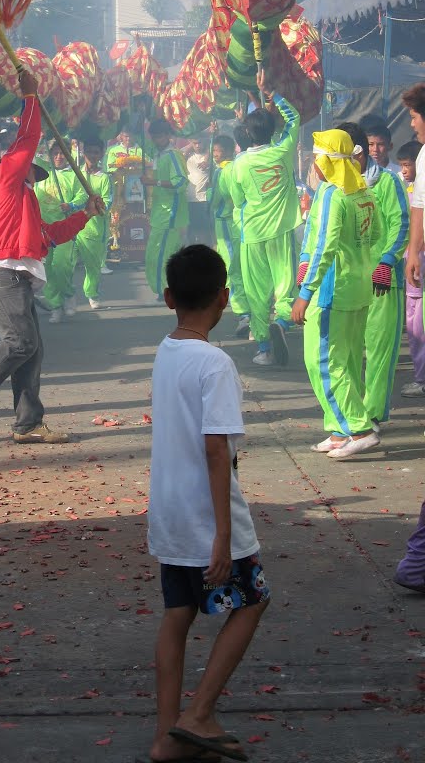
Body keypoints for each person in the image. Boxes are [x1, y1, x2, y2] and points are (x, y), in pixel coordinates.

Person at [146, 244, 269, 763]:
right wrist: (223, 535)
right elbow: (217, 449)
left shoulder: (165, 350)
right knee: (252, 601)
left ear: (169, 297)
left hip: (170, 513)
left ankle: (165, 738)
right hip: (206, 515)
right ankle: (198, 715)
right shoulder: (216, 364)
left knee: (178, 617)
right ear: (224, 297)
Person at [0, 68, 105, 445]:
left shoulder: (22, 204)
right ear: (21, 166)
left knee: (32, 350)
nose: (36, 176)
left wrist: (87, 214)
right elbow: (28, 138)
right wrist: (31, 99)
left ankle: (28, 423)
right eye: (33, 170)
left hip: (13, 277)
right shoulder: (3, 178)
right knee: (20, 343)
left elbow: (51, 235)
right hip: (1, 276)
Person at [292, 129, 381, 460]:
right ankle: (339, 430)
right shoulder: (362, 192)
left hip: (332, 291)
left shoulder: (332, 194)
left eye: (315, 157)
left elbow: (323, 248)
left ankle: (359, 428)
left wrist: (305, 292)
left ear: (326, 161)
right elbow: (379, 235)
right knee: (347, 361)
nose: (312, 163)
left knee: (323, 362)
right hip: (358, 289)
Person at [337, 122, 408, 430]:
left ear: (358, 153)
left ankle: (373, 415)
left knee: (378, 351)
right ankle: (354, 416)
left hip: (383, 281)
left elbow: (401, 225)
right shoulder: (338, 187)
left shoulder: (388, 183)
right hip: (350, 283)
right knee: (349, 352)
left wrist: (387, 261)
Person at [227, 75, 301, 367]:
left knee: (257, 292)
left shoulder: (239, 164)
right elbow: (293, 118)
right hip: (281, 230)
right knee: (285, 286)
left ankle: (264, 348)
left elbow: (237, 199)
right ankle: (282, 323)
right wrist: (275, 94)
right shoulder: (283, 150)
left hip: (252, 233)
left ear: (247, 133)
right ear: (272, 131)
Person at [207, 132, 250, 337]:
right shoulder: (242, 165)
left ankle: (244, 313)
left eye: (218, 151)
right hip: (242, 222)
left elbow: (215, 198)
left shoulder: (221, 172)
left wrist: (208, 195)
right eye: (214, 150)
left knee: (233, 268)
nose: (215, 154)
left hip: (226, 220)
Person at [35, 142, 82, 324]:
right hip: (43, 230)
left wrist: (71, 205)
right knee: (46, 270)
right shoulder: (42, 171)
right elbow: (32, 149)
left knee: (61, 266)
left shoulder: (73, 175)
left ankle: (69, 294)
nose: (58, 157)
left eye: (62, 153)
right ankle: (55, 305)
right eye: (54, 153)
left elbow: (82, 196)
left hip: (63, 229)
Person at [142, 119, 189, 299]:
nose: (156, 140)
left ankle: (165, 289)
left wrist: (154, 182)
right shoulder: (157, 153)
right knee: (158, 253)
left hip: (170, 213)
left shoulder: (173, 155)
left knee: (160, 254)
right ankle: (168, 288)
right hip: (159, 212)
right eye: (153, 136)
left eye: (160, 136)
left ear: (168, 136)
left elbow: (181, 182)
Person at [71, 138, 114, 310]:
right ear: (83, 153)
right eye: (89, 152)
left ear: (101, 155)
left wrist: (96, 207)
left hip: (94, 230)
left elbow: (108, 201)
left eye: (96, 152)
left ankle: (92, 295)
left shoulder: (104, 178)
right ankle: (66, 295)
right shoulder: (75, 174)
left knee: (92, 268)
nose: (92, 155)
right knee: (64, 264)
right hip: (73, 227)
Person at [397, 140, 425, 398]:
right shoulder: (404, 189)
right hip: (411, 267)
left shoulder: (417, 194)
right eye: (402, 165)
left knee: (418, 328)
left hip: (417, 268)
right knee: (414, 325)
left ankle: (421, 378)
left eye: (408, 165)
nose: (405, 170)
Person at [184, 133, 212, 244]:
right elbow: (182, 154)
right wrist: (192, 143)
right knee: (190, 231)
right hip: (189, 199)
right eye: (194, 143)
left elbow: (212, 145)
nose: (197, 145)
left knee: (204, 231)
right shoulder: (188, 156)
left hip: (204, 199)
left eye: (199, 142)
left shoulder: (210, 158)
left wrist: (206, 159)